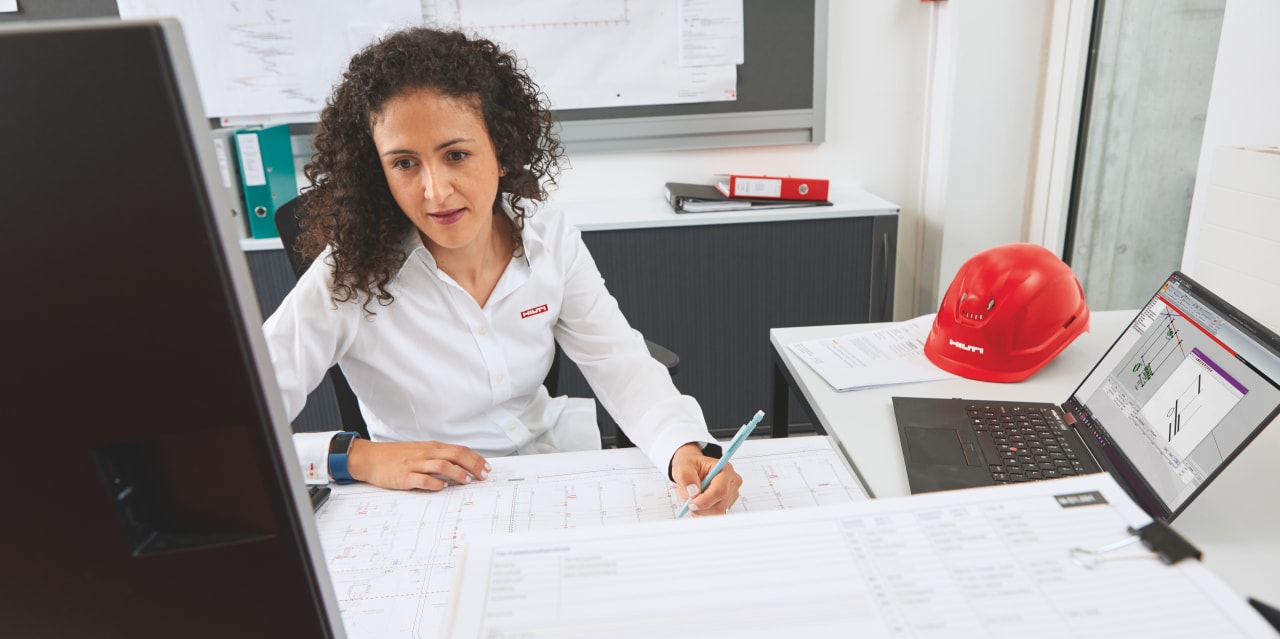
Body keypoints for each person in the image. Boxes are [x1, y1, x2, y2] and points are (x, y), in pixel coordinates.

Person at [263, 26, 742, 515]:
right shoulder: (347, 276)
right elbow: (236, 425)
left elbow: (618, 362)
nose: (436, 191)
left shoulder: (548, 237)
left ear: (502, 151)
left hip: (552, 475)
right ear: (377, 171)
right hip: (425, 502)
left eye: (456, 155)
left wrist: (683, 447)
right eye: (405, 163)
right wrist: (354, 457)